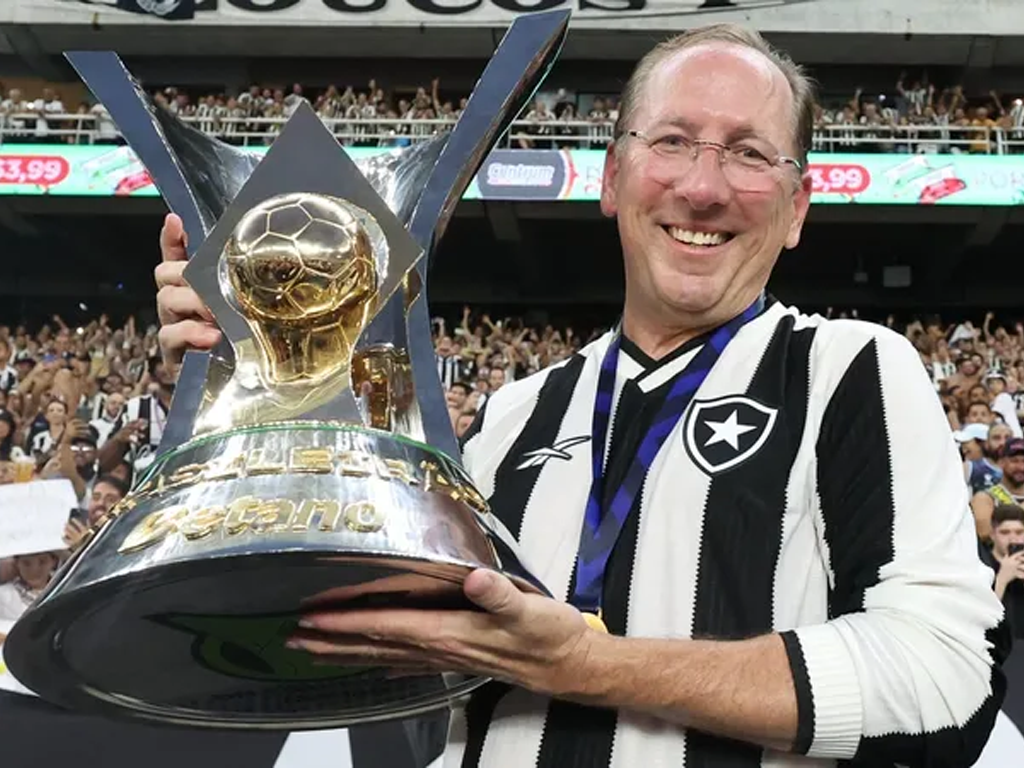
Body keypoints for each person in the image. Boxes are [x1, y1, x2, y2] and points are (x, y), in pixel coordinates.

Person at [154, 25, 1007, 768]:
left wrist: (592, 667)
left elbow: (946, 682)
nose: (703, 187)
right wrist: (263, 375)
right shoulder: (505, 419)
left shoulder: (852, 372)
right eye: (671, 141)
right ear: (612, 178)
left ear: (796, 208)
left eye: (750, 153)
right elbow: (380, 667)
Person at [981, 505, 1024, 640]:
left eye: (1019, 532)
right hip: (996, 647)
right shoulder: (981, 566)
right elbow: (980, 617)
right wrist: (1002, 579)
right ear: (993, 535)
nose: (1013, 539)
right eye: (1005, 532)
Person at [972, 437, 1024, 542]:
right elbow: (984, 534)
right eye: (1014, 461)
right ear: (1001, 463)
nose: (1021, 467)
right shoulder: (985, 497)